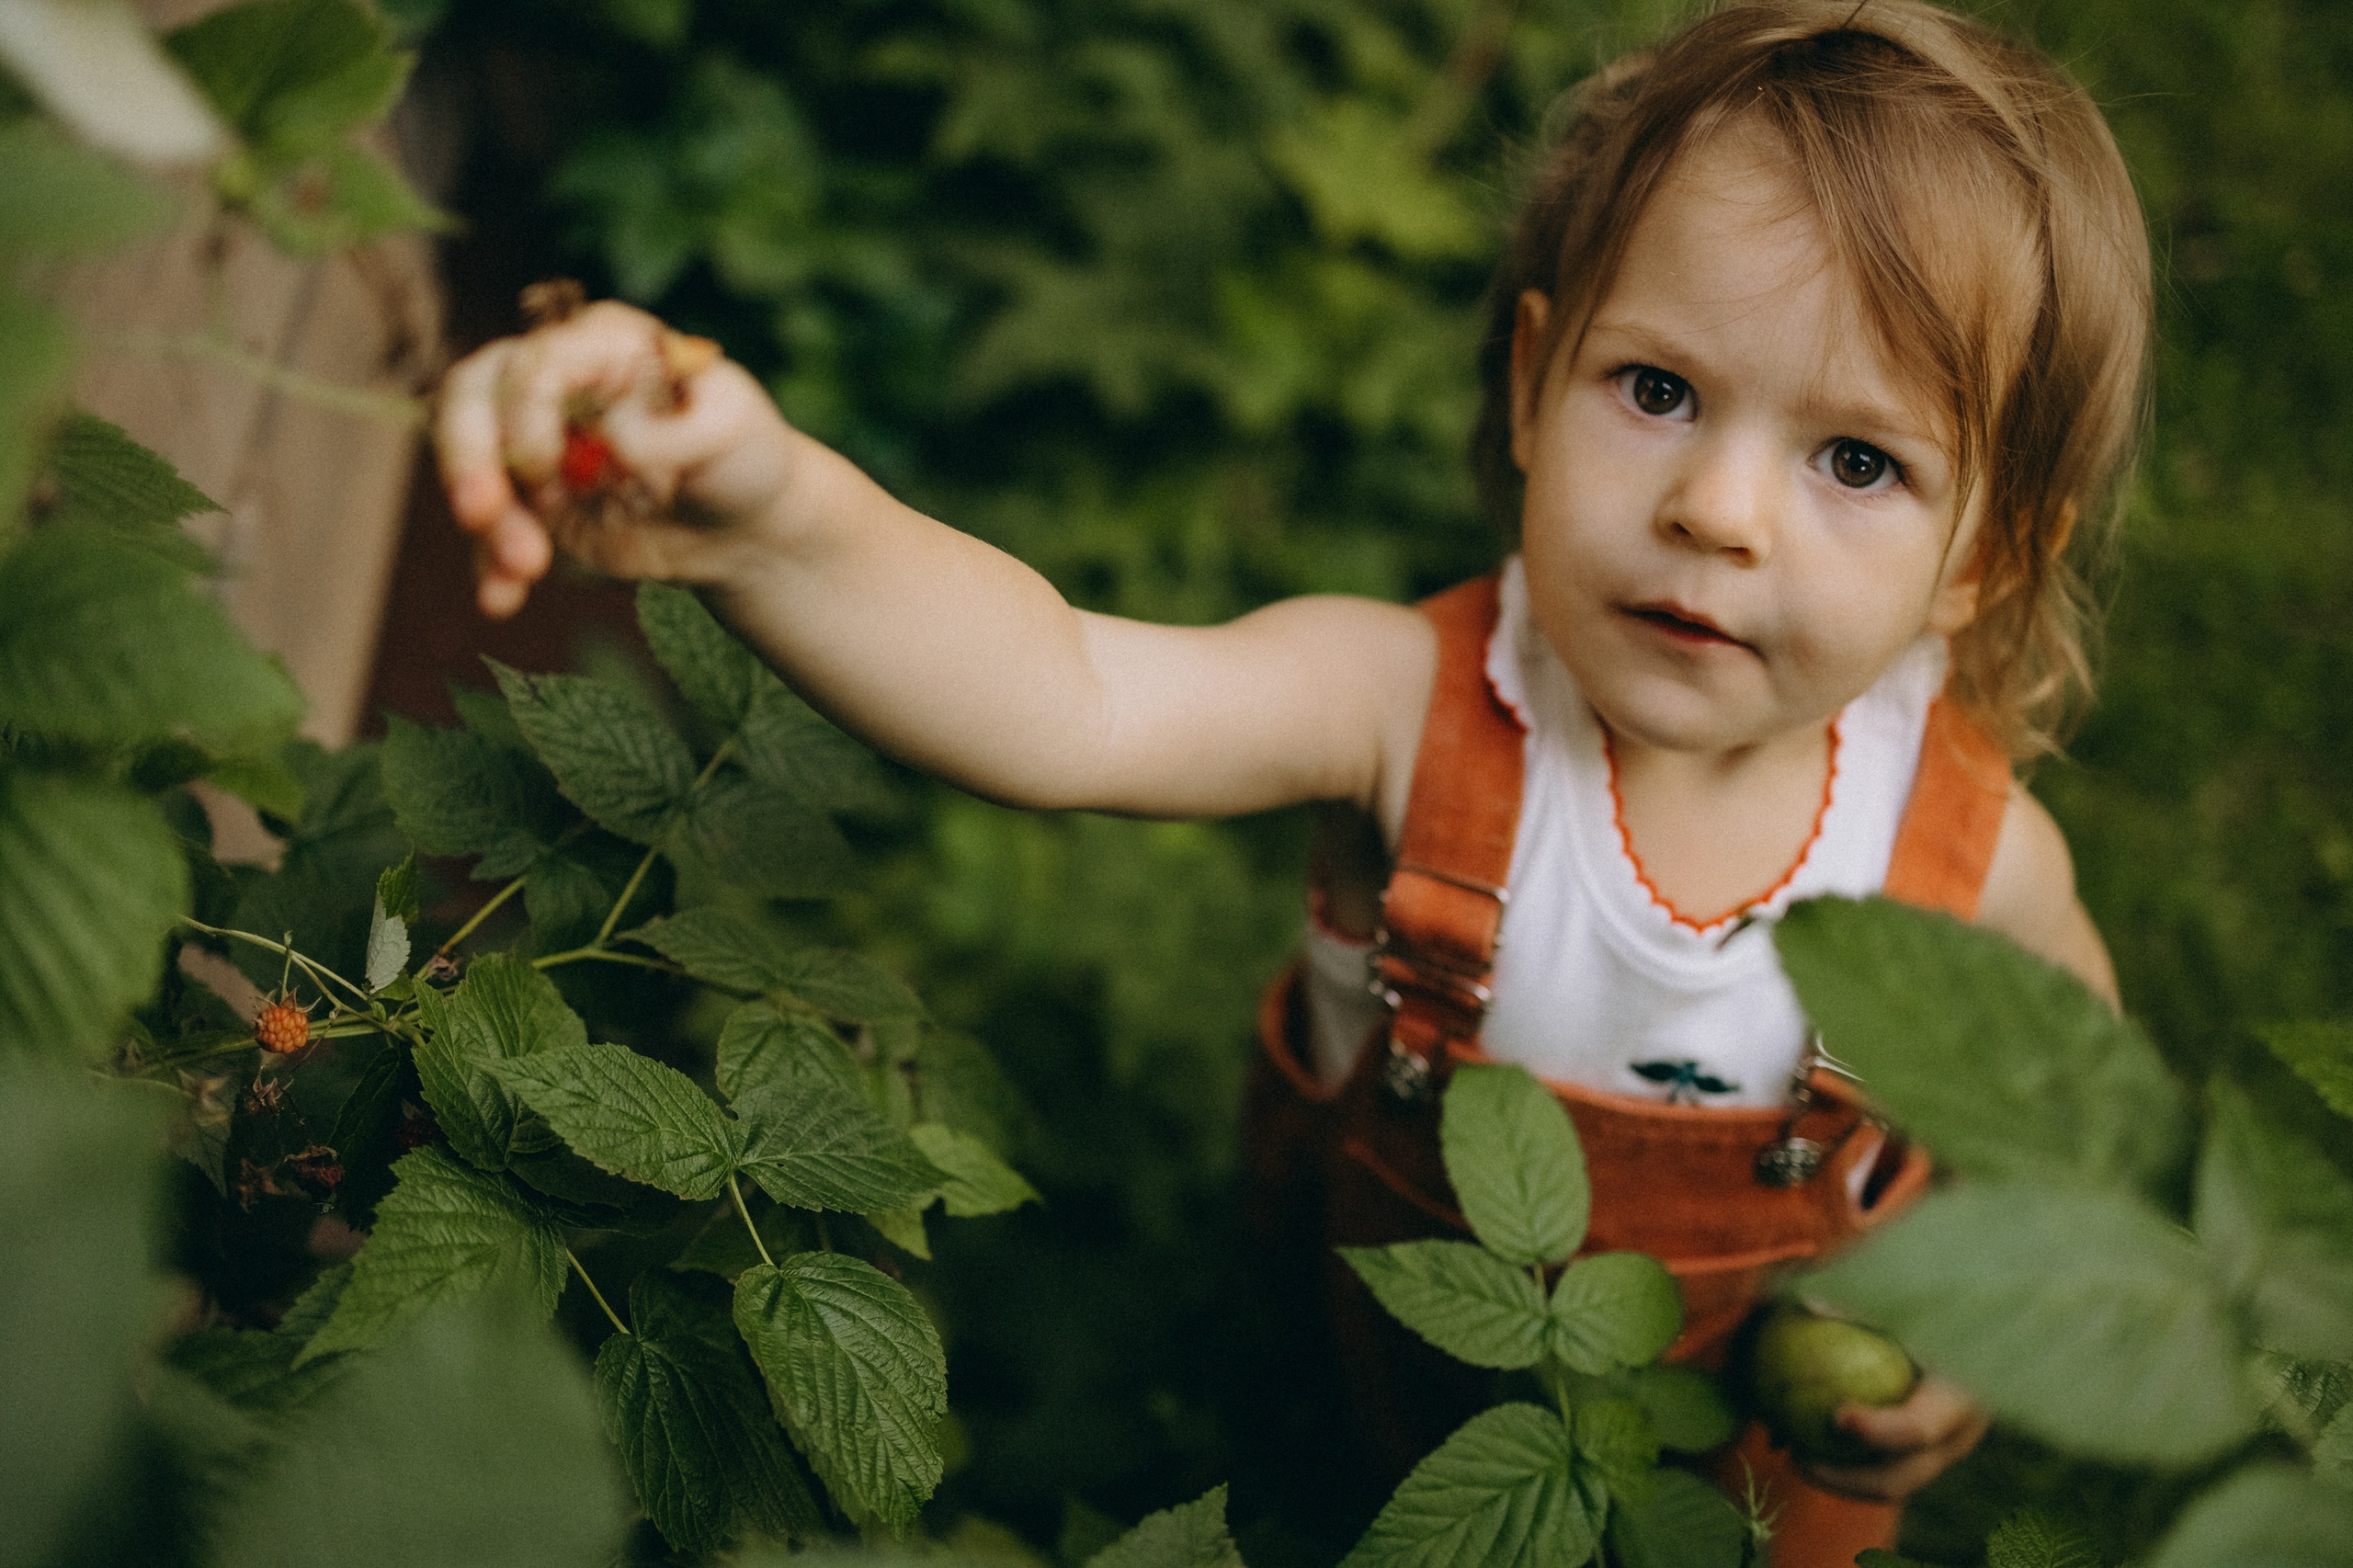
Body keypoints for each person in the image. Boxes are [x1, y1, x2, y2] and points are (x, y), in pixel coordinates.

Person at [434, 1, 2149, 1559]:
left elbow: (2077, 1114)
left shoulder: (1969, 856)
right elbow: (1071, 695)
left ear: (1982, 555)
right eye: (1659, 388)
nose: (1721, 506)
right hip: (1369, 1406)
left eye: (1855, 457)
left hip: (1747, 1484)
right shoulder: (1408, 701)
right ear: (1537, 382)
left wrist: (1992, 1324)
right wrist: (777, 517)